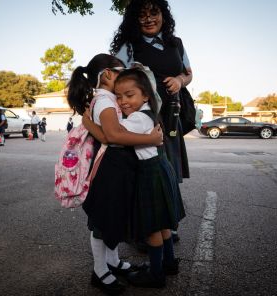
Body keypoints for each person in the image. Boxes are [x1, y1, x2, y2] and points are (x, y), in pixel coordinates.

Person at [67, 53, 163, 295]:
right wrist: (150, 138)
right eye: (121, 70)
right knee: (102, 220)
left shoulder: (109, 98)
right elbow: (112, 136)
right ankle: (99, 272)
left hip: (118, 165)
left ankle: (112, 261)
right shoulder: (106, 101)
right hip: (111, 167)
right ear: (108, 74)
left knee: (113, 217)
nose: (126, 75)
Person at [110, 0, 191, 243]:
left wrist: (179, 80)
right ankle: (147, 228)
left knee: (168, 170)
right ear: (134, 19)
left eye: (154, 13)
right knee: (146, 171)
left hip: (172, 115)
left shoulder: (176, 43)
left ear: (163, 15)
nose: (148, 19)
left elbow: (189, 73)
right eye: (142, 15)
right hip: (143, 117)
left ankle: (169, 225)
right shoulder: (129, 46)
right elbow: (114, 78)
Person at [114, 68, 185, 288]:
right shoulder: (149, 112)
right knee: (163, 223)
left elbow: (112, 133)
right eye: (118, 96)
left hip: (150, 174)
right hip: (161, 169)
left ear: (145, 95)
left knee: (153, 227)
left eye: (129, 95)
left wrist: (89, 121)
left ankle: (156, 275)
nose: (123, 101)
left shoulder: (136, 118)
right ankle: (169, 263)